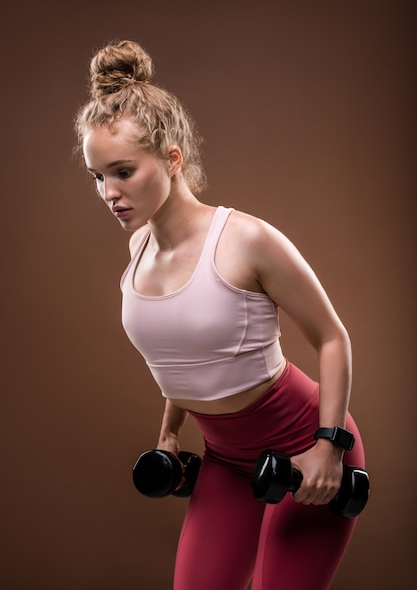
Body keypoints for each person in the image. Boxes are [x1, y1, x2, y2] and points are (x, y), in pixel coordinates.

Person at [75, 39, 366, 590]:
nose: (109, 192)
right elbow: (181, 352)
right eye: (97, 177)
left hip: (304, 445)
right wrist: (167, 435)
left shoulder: (246, 240)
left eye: (122, 172)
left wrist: (330, 447)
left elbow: (333, 337)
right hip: (226, 461)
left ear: (172, 158)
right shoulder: (137, 248)